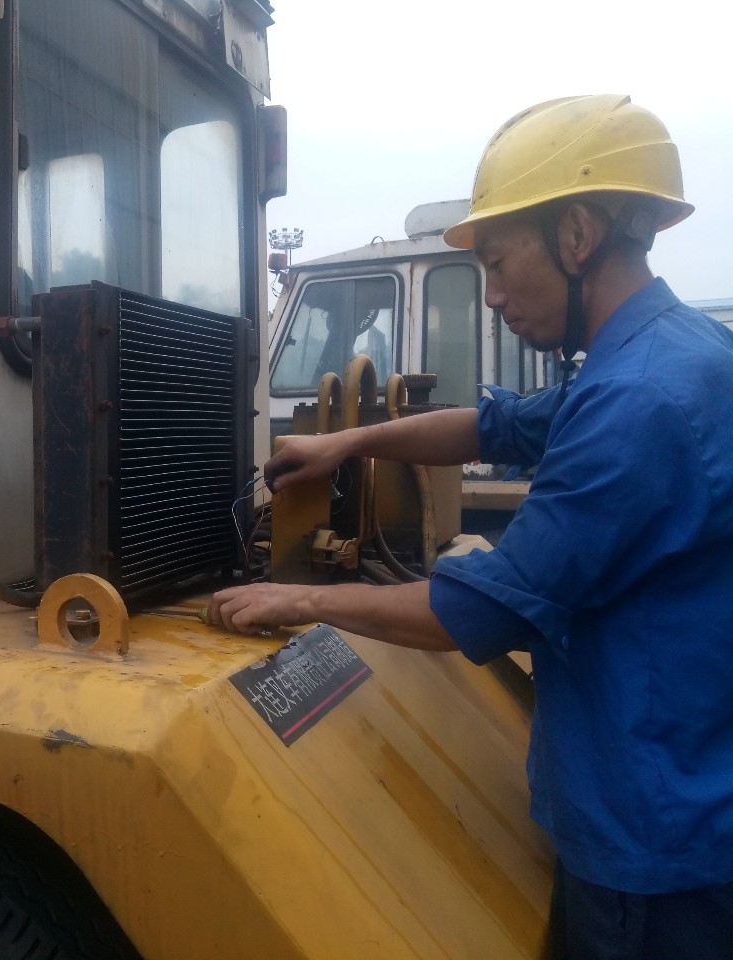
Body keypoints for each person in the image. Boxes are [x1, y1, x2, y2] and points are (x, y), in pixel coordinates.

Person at [210, 95, 733, 959]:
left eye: (495, 262)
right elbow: (495, 427)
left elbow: (481, 612)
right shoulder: (673, 356)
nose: (491, 297)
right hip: (692, 786)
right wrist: (348, 442)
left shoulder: (638, 403)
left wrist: (297, 599)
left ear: (576, 235)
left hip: (653, 850)